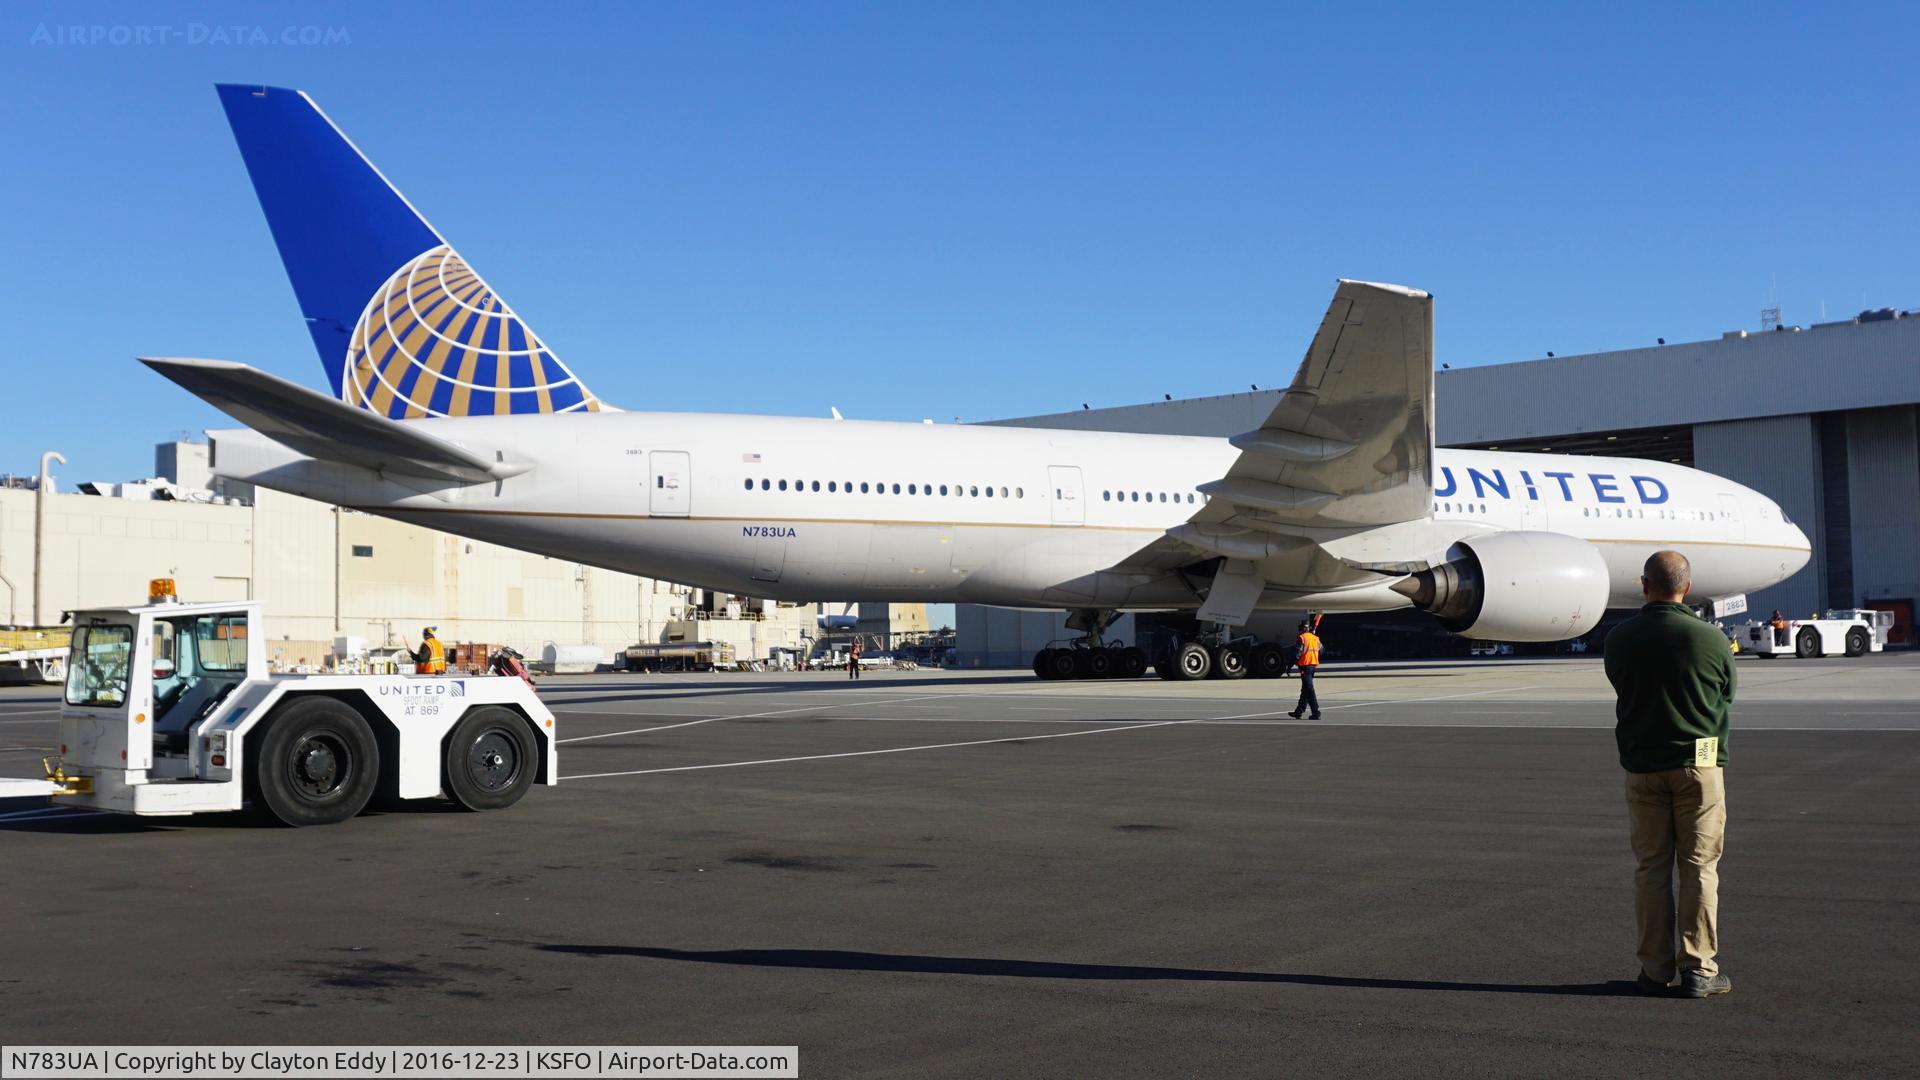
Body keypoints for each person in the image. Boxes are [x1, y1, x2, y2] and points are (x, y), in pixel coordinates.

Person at [1603, 551, 1736, 999]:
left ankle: (1654, 970)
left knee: (1651, 869)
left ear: (1645, 586)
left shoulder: (1620, 638)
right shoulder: (1711, 639)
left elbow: (1622, 685)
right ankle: (1699, 968)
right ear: (1687, 586)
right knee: (1699, 867)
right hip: (1699, 764)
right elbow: (1726, 693)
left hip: (1643, 766)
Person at [1286, 617, 1322, 720]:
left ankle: (1316, 712)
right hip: (1313, 666)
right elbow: (1322, 650)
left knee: (1309, 689)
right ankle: (1299, 711)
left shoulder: (1301, 638)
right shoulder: (1315, 638)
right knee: (1305, 689)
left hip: (1305, 667)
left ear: (1301, 628)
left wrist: (1289, 666)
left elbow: (1297, 654)